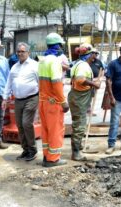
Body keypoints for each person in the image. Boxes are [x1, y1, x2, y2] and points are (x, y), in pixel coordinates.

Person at [3, 42, 39, 162]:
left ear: (28, 52)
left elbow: (41, 82)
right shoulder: (15, 66)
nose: (20, 53)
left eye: (22, 51)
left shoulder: (35, 65)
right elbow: (9, 83)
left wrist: (42, 98)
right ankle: (26, 149)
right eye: (18, 51)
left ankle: (33, 149)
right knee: (19, 125)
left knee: (26, 123)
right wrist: (5, 98)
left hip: (32, 98)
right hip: (18, 100)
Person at [38, 33, 69, 167]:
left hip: (43, 101)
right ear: (57, 46)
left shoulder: (42, 60)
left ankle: (46, 156)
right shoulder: (55, 62)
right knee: (56, 130)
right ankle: (54, 159)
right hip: (53, 102)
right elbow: (56, 84)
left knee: (46, 130)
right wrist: (63, 102)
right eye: (60, 45)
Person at [68, 43, 101, 161]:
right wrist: (94, 84)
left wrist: (94, 81)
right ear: (89, 55)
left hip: (78, 96)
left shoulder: (79, 64)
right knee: (79, 125)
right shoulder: (83, 66)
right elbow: (80, 79)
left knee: (78, 123)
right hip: (79, 97)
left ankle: (78, 145)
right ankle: (76, 153)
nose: (95, 57)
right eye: (93, 54)